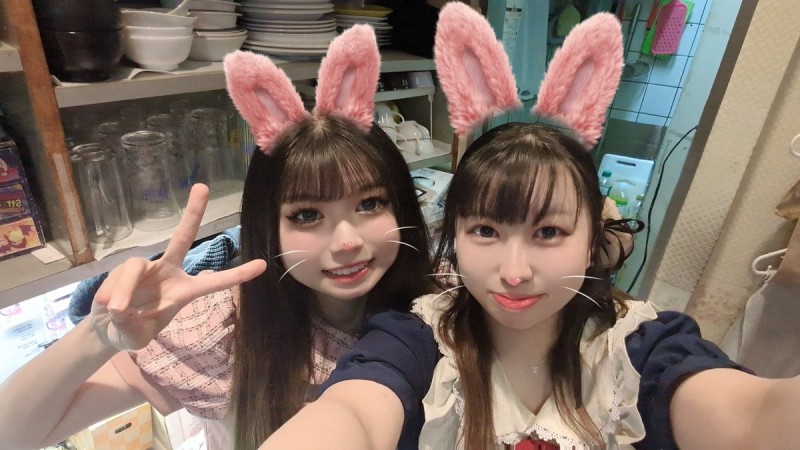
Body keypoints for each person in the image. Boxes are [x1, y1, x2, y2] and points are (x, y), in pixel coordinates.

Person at [263, 4, 800, 450]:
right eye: (486, 232)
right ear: (454, 238)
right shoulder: (418, 340)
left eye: (548, 233)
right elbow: (353, 412)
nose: (514, 273)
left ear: (592, 241)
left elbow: (752, 418)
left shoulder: (640, 348)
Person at [0, 25, 438, 450]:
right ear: (268, 227)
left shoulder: (436, 301)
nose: (346, 242)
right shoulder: (225, 331)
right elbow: (12, 434)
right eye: (307, 215)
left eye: (369, 204)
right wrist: (97, 336)